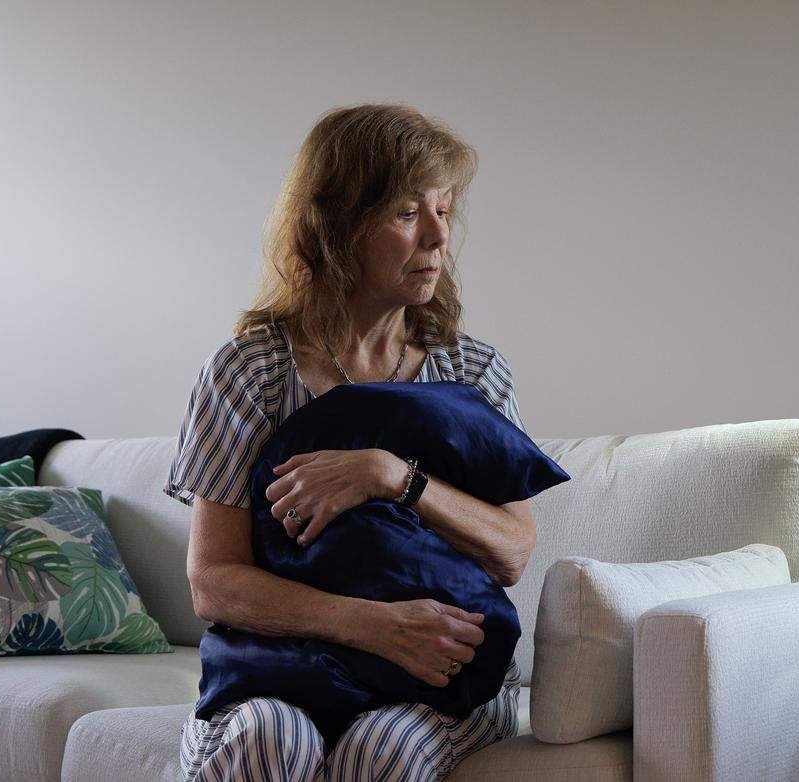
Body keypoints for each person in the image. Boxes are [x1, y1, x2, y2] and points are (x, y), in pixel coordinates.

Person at [162, 102, 536, 782]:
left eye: (444, 211)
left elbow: (512, 552)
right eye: (405, 212)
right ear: (334, 226)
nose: (436, 238)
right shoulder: (250, 372)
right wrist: (366, 624)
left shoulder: (473, 374)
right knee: (265, 740)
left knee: (381, 750)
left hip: (438, 678)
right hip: (278, 669)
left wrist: (393, 475)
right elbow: (213, 582)